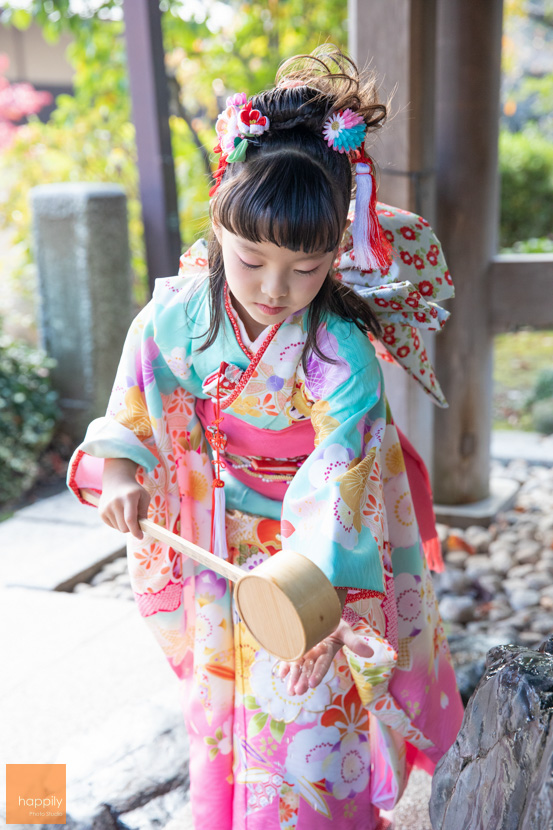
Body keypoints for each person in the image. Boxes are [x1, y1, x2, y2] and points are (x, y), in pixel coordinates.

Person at [68, 47, 463, 830]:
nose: (275, 288)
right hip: (218, 533)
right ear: (218, 221)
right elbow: (136, 404)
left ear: (334, 258)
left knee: (307, 705)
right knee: (221, 706)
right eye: (250, 259)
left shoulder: (337, 352)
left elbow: (341, 469)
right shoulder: (177, 315)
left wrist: (314, 594)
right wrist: (119, 472)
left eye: (306, 268)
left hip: (313, 553)